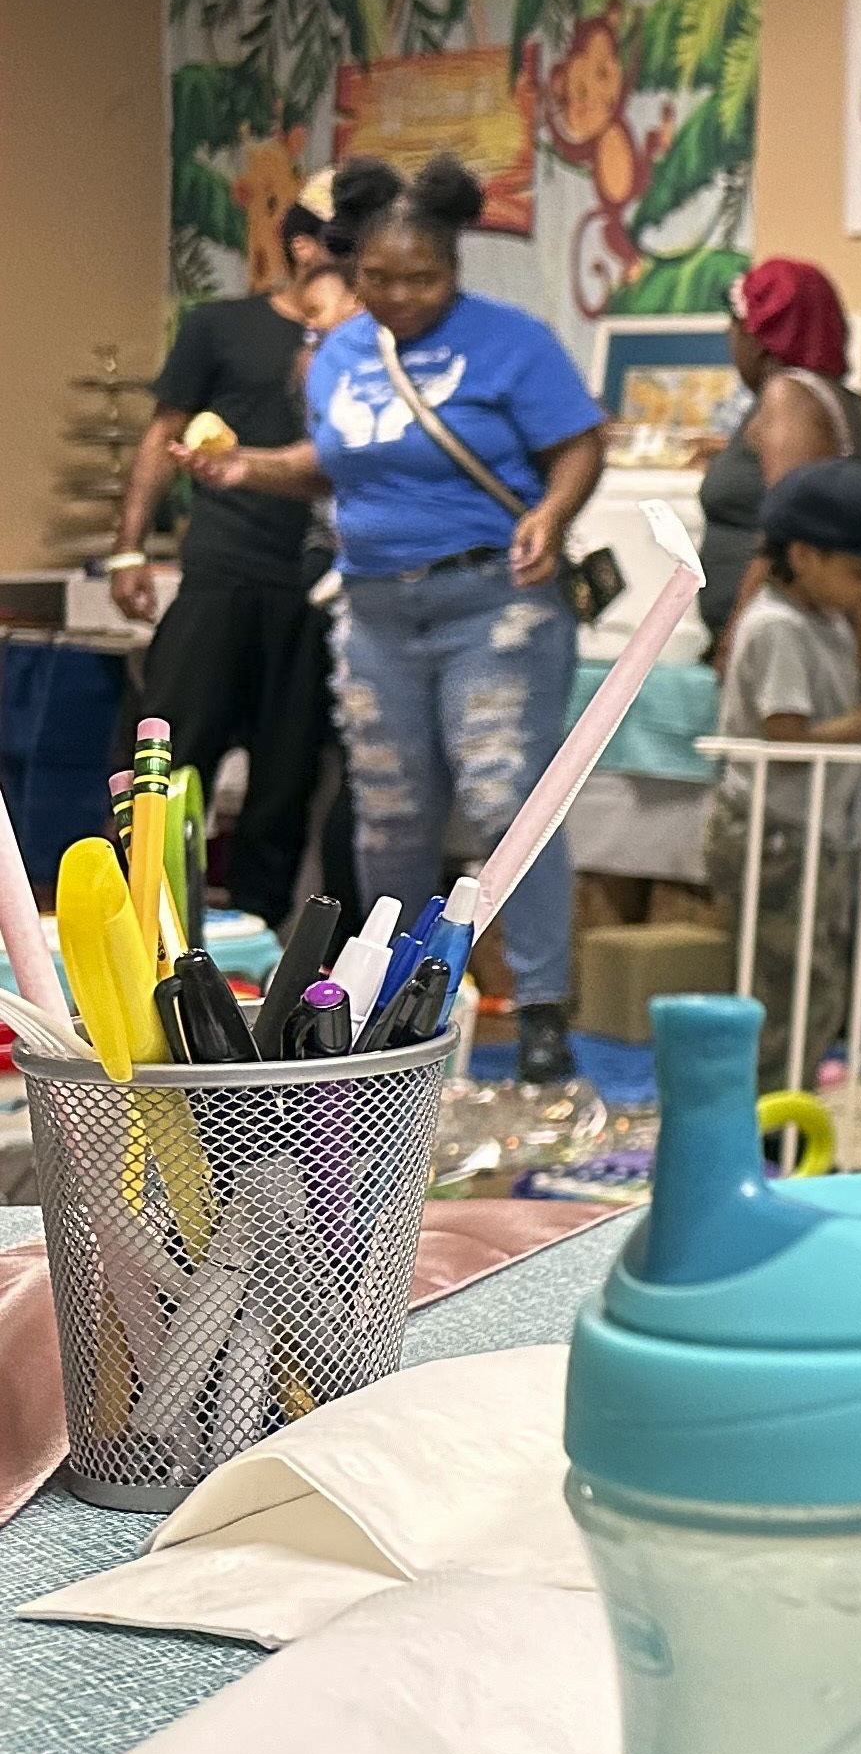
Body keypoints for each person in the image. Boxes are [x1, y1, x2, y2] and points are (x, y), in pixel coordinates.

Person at [238, 158, 604, 1083]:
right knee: (390, 823)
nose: (399, 295)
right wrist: (252, 467)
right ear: (352, 268)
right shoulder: (341, 353)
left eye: (423, 277)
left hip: (492, 603)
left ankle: (543, 1007)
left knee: (500, 803)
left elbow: (577, 446)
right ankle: (390, 1018)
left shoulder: (512, 342)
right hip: (373, 610)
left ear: (455, 267)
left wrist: (549, 516)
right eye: (379, 278)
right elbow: (340, 465)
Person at [104, 160, 390, 922]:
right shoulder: (218, 326)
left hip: (315, 587)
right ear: (302, 247)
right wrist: (129, 549)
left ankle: (256, 958)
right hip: (222, 572)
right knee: (164, 762)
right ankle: (141, 926)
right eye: (344, 246)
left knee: (284, 787)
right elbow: (162, 433)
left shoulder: (371, 345)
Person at [707, 458, 861, 1088]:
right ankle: (766, 1119)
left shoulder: (827, 620)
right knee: (786, 986)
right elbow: (789, 740)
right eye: (859, 573)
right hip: (771, 833)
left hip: (806, 830)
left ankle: (788, 1102)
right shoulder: (778, 628)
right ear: (803, 556)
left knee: (816, 984)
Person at [695, 255, 861, 654]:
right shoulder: (832, 398)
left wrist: (734, 638)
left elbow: (786, 532)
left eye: (734, 327)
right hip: (788, 635)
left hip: (772, 641)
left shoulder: (789, 398)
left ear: (758, 335)